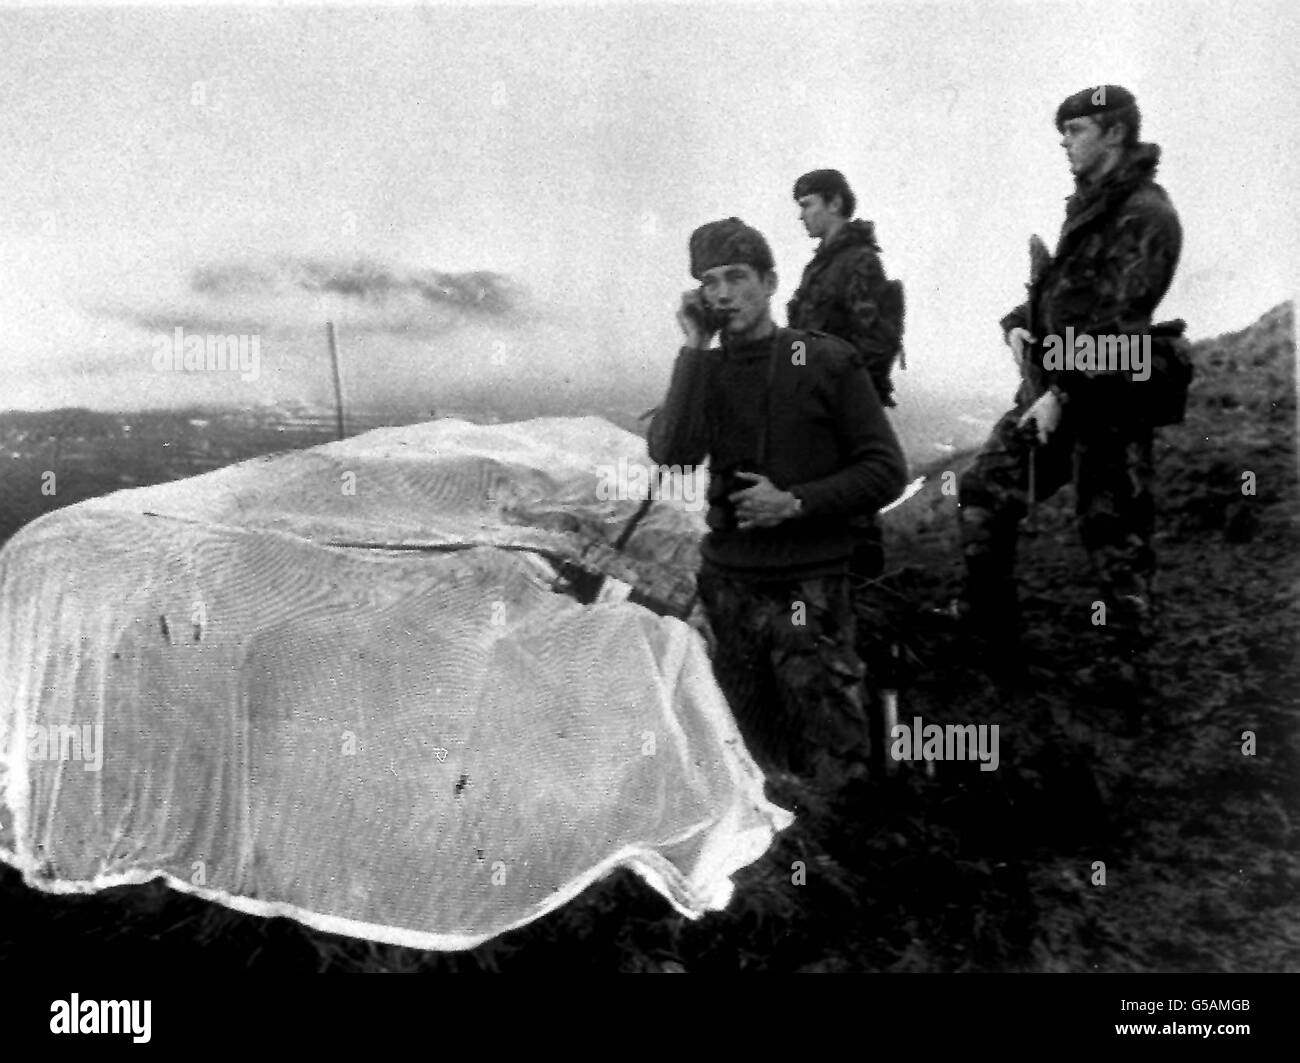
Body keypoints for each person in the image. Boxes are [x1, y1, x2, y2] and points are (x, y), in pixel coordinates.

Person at [648, 218, 906, 787]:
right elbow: (673, 455)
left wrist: (792, 502)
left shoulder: (824, 361)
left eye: (736, 277)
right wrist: (693, 348)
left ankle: (841, 856)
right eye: (709, 282)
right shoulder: (706, 370)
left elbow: (886, 470)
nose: (721, 294)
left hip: (807, 591)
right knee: (748, 762)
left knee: (835, 761)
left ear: (769, 281)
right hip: (730, 589)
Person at [956, 85, 1183, 687]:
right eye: (1063, 133)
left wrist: (1063, 395)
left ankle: (1125, 672)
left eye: (1076, 131)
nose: (1065, 143)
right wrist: (1019, 328)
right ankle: (990, 634)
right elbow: (1065, 300)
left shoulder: (1145, 214)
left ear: (1114, 133)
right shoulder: (1089, 208)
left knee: (1113, 534)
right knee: (985, 489)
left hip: (1109, 400)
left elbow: (1118, 326)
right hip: (1056, 390)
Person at [787, 169, 902, 581]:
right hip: (819, 405)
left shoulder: (858, 262)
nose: (801, 216)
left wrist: (845, 397)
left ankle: (866, 595)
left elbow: (875, 341)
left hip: (846, 406)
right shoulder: (822, 265)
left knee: (855, 508)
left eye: (807, 205)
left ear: (834, 203)